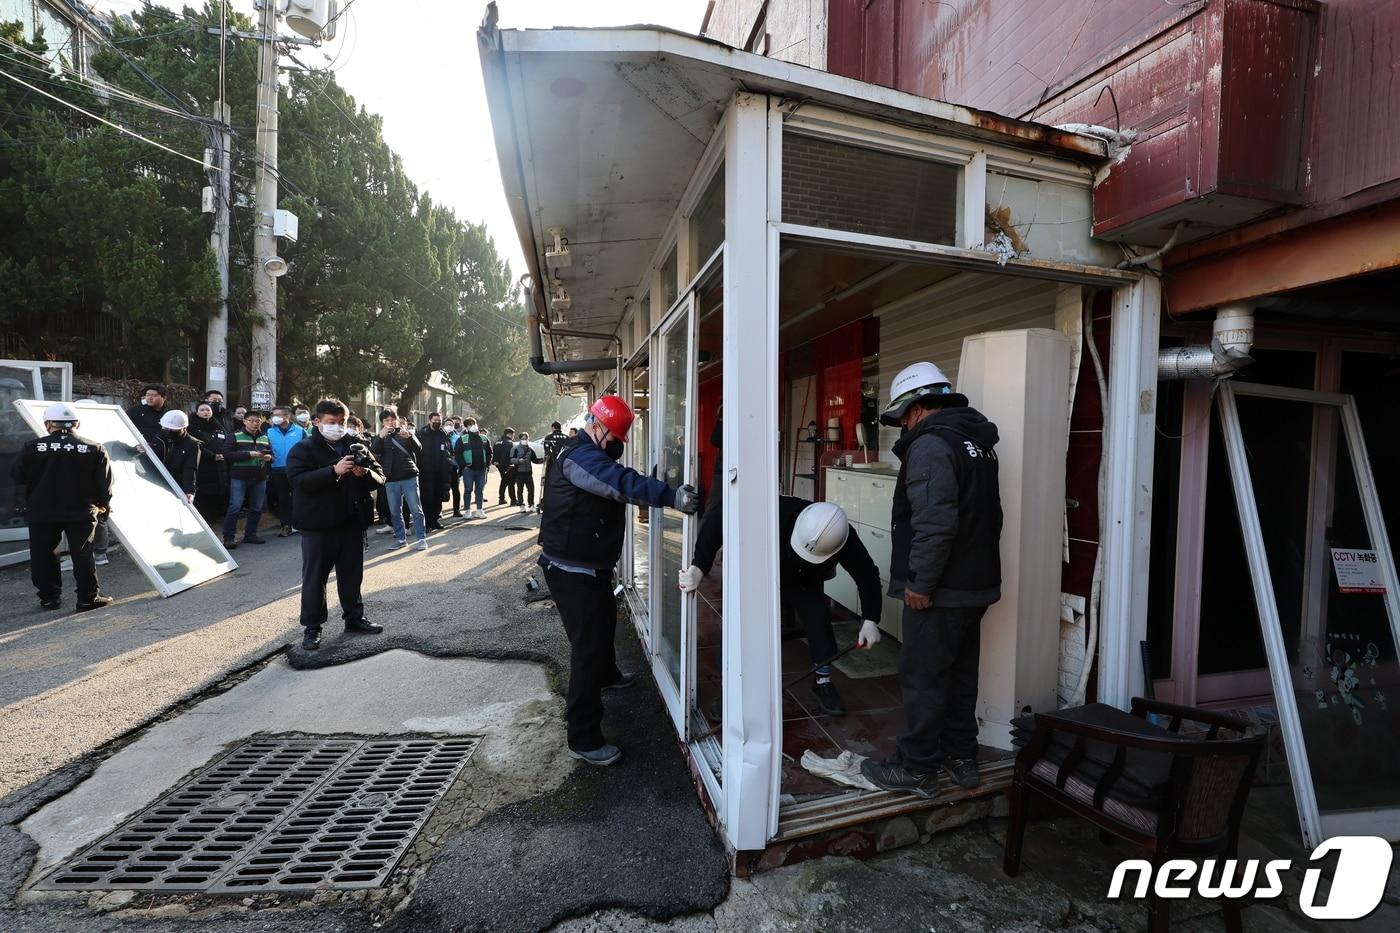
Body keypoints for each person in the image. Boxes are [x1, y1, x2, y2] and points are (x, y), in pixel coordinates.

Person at [859, 362, 1003, 798]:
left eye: (904, 416)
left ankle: (918, 767)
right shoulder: (977, 444)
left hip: (940, 589)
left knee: (923, 676)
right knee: (960, 675)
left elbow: (935, 523)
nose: (903, 425)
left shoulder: (931, 446)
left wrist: (919, 583)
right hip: (976, 583)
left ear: (920, 408)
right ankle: (962, 757)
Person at [538, 395, 700, 766]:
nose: (617, 448)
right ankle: (583, 736)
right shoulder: (580, 458)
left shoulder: (582, 450)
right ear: (598, 428)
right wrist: (671, 495)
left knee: (605, 621)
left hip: (587, 565)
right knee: (588, 648)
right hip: (570, 569)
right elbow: (618, 483)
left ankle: (607, 674)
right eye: (616, 439)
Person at [680, 497, 882, 716]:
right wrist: (698, 567)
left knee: (818, 617)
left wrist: (871, 619)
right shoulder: (776, 510)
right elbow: (719, 517)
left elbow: (867, 574)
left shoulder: (843, 536)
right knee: (743, 624)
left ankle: (822, 681)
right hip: (763, 565)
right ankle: (730, 687)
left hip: (805, 577)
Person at [286, 398, 386, 651]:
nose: (338, 427)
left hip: (352, 523)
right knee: (314, 579)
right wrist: (334, 471)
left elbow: (381, 477)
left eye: (341, 422)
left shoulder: (357, 446)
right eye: (332, 422)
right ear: (317, 422)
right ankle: (312, 628)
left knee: (352, 576)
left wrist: (365, 474)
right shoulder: (303, 449)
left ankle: (354, 618)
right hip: (318, 526)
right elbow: (299, 481)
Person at [12, 403, 114, 611]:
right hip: (81, 510)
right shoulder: (94, 449)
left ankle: (49, 598)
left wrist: (22, 504)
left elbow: (17, 478)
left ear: (48, 424)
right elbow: (106, 484)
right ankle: (87, 598)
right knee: (83, 553)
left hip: (41, 510)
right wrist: (104, 506)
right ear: (77, 423)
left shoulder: (31, 447)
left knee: (43, 554)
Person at [371, 410, 427, 550]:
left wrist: (409, 436)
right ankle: (401, 539)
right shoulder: (380, 436)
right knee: (395, 511)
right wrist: (379, 437)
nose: (390, 422)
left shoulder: (406, 433)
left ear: (397, 419)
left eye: (392, 419)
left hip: (409, 476)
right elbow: (374, 453)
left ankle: (421, 539)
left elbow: (419, 449)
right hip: (390, 479)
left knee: (416, 509)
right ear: (382, 423)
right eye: (386, 420)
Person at [222, 410, 273, 548]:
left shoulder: (264, 437)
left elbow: (271, 454)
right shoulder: (235, 436)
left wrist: (269, 458)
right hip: (239, 477)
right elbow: (227, 454)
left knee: (256, 507)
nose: (255, 423)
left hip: (259, 477)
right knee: (235, 506)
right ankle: (228, 536)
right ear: (244, 421)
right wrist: (248, 454)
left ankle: (251, 534)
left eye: (257, 421)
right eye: (251, 420)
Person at [264, 405, 306, 537]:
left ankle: (298, 524)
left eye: (277, 415)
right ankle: (285, 525)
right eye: (273, 415)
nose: (274, 417)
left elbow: (307, 450)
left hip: (297, 470)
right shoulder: (269, 432)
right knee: (282, 499)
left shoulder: (300, 431)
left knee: (298, 498)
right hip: (277, 469)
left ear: (287, 416)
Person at [188, 401, 231, 527]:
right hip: (204, 464)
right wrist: (211, 456)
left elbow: (227, 440)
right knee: (205, 493)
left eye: (208, 410)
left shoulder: (218, 425)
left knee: (220, 491)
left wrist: (224, 453)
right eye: (202, 410)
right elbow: (195, 444)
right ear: (197, 412)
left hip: (221, 464)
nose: (206, 412)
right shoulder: (192, 427)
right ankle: (205, 520)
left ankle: (218, 517)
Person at [150, 410, 201, 503]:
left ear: (184, 428)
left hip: (176, 485)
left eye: (173, 429)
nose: (168, 431)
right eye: (166, 428)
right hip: (154, 480)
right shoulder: (159, 437)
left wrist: (189, 491)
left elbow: (190, 468)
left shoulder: (192, 444)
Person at [416, 412, 454, 531]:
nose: (437, 422)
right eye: (435, 420)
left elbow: (448, 452)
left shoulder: (443, 435)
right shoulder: (422, 434)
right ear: (429, 421)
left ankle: (435, 520)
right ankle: (427, 523)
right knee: (427, 498)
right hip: (426, 472)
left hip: (440, 472)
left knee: (438, 497)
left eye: (439, 420)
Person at [455, 417, 491, 519]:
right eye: (470, 424)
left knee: (479, 490)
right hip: (468, 469)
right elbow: (457, 454)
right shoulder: (462, 439)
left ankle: (479, 510)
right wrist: (464, 465)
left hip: (481, 469)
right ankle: (467, 511)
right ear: (466, 427)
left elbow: (489, 452)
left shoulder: (484, 438)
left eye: (474, 423)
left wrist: (487, 464)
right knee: (468, 489)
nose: (473, 426)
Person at [512, 431, 543, 513]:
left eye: (526, 438)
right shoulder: (515, 449)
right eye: (523, 438)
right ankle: (521, 505)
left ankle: (531, 505)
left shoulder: (530, 449)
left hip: (529, 473)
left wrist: (543, 460)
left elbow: (535, 460)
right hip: (519, 473)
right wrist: (518, 460)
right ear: (520, 439)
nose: (524, 440)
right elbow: (511, 459)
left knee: (531, 490)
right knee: (520, 490)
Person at [493, 427, 519, 507]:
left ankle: (501, 498)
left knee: (504, 481)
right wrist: (510, 465)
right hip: (508, 466)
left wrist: (496, 462)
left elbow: (494, 453)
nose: (513, 436)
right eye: (513, 435)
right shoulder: (509, 443)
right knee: (511, 482)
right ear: (509, 434)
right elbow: (508, 455)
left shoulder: (498, 442)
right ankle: (513, 500)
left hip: (499, 465)